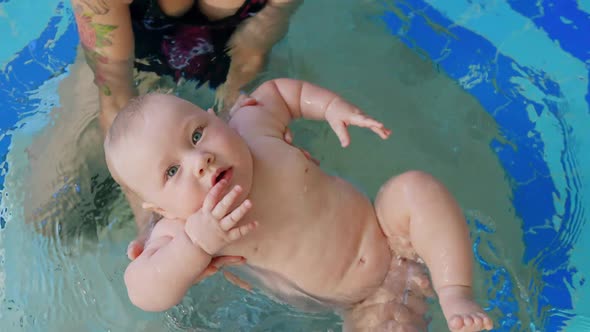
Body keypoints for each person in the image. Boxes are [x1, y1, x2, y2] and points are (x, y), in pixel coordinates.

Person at [104, 78, 494, 331]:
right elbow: (142, 290)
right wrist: (196, 245)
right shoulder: (185, 229)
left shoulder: (252, 129)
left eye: (196, 134)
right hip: (360, 299)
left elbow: (279, 93)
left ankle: (455, 290)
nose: (199, 159)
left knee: (415, 188)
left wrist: (330, 108)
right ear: (159, 210)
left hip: (388, 228)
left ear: (215, 118)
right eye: (172, 172)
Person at [70, 0, 302, 237]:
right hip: (140, 66)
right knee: (51, 213)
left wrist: (233, 128)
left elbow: (250, 54)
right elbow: (115, 96)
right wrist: (149, 221)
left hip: (226, 61)